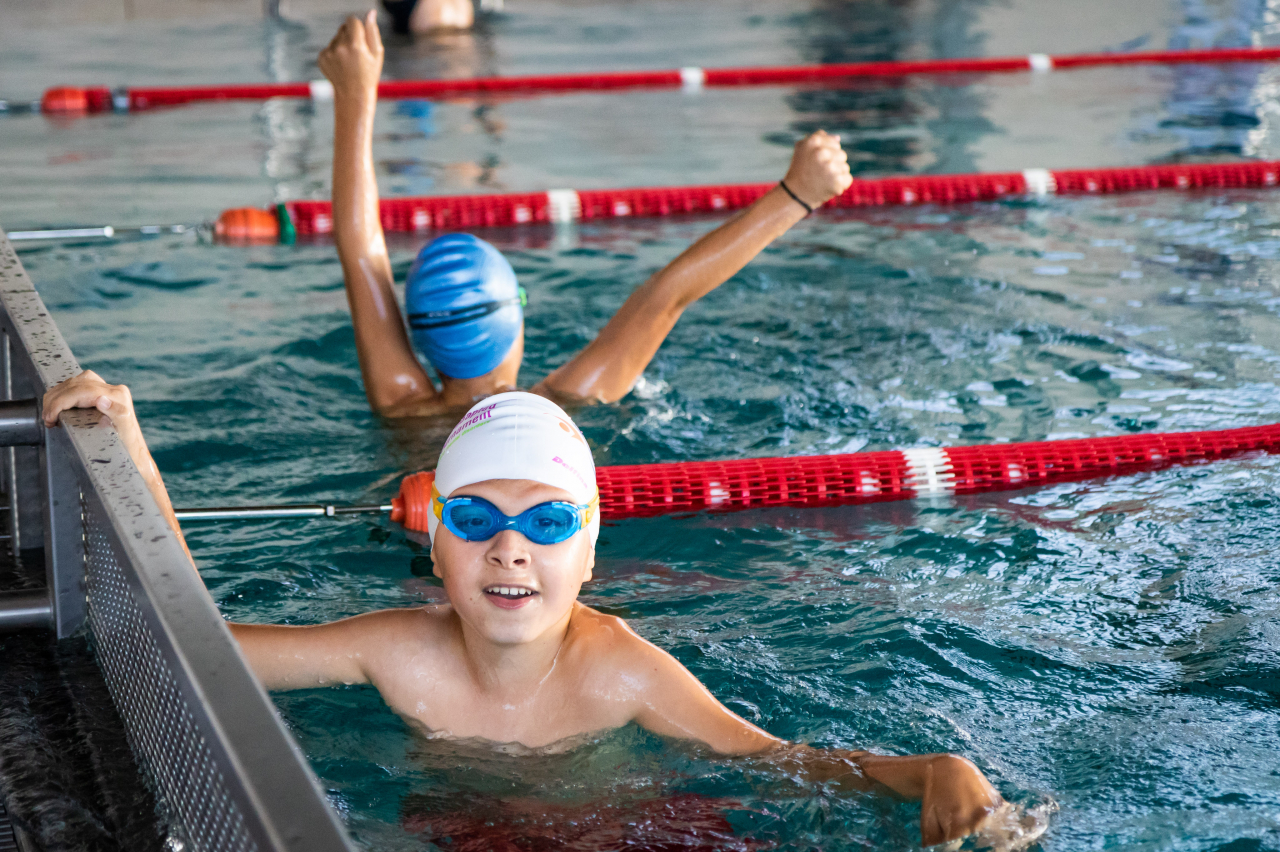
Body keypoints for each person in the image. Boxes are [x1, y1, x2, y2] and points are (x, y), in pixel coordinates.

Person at [42, 375, 1038, 847]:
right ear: (437, 546)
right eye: (475, 517)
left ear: (589, 553)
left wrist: (932, 773)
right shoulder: (397, 652)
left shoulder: (622, 672)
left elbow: (785, 763)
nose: (510, 547)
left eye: (548, 521)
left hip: (631, 832)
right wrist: (131, 453)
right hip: (465, 826)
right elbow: (194, 645)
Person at [319, 12, 855, 420]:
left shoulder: (402, 405)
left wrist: (354, 96)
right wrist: (798, 193)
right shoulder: (560, 405)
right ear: (516, 317)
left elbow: (362, 252)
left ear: (416, 333)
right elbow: (665, 295)